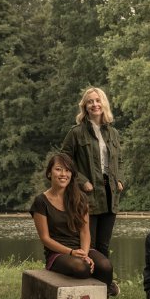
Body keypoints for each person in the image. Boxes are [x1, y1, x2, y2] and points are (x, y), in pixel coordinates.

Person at [30, 152, 118, 299]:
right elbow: (45, 239)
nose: (63, 174)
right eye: (58, 169)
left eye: (67, 170)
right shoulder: (41, 201)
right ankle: (102, 289)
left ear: (72, 174)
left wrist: (84, 253)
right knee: (81, 268)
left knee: (105, 265)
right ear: (49, 173)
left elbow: (85, 232)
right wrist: (71, 253)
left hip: (81, 248)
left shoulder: (80, 198)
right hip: (58, 253)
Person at [61, 86, 124, 258]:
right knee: (90, 243)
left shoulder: (113, 133)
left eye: (98, 100)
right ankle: (88, 279)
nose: (95, 104)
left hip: (110, 193)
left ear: (104, 104)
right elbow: (64, 160)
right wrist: (81, 181)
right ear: (85, 107)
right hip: (87, 194)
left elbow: (119, 160)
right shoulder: (76, 133)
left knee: (104, 245)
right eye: (90, 102)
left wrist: (120, 179)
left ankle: (104, 281)